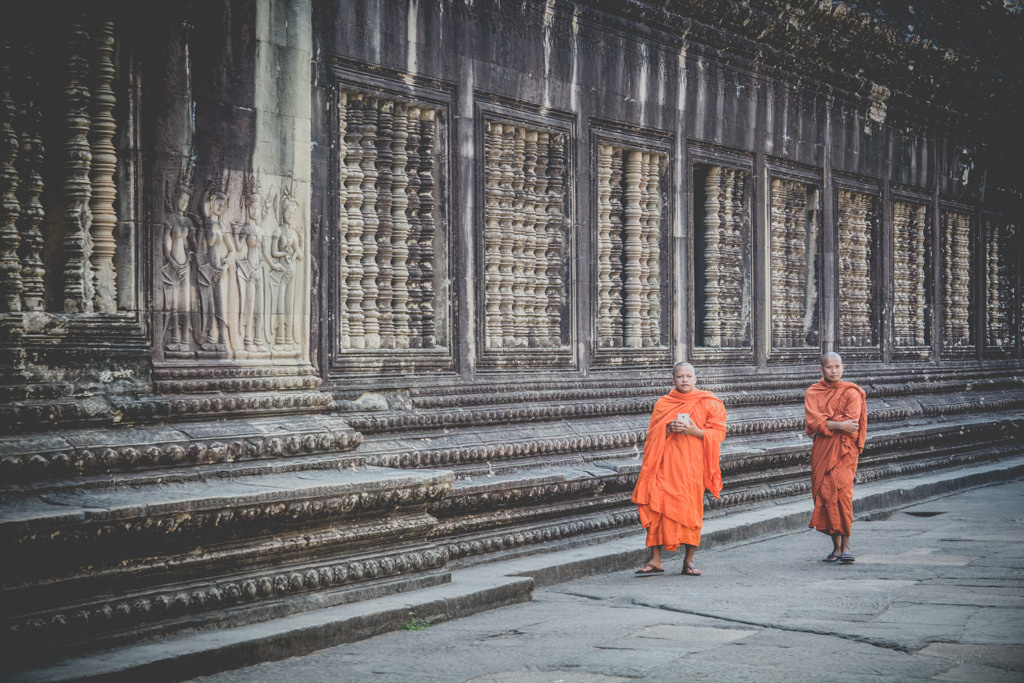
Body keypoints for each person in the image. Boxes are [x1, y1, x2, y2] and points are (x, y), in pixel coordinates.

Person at [631, 362, 726, 577]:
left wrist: (695, 431)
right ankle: (655, 560)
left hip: (692, 469)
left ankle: (688, 561)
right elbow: (652, 436)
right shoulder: (664, 403)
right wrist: (667, 429)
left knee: (691, 513)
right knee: (655, 507)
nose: (685, 380)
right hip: (664, 467)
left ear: (696, 378)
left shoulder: (710, 403)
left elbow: (718, 434)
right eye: (680, 376)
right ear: (672, 379)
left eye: (689, 376)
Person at [805, 351, 867, 564]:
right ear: (820, 369)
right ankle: (836, 547)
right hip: (823, 450)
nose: (834, 371)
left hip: (844, 451)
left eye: (837, 367)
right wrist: (838, 424)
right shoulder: (814, 391)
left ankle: (846, 546)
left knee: (843, 495)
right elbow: (814, 421)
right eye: (829, 367)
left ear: (843, 368)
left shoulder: (852, 392)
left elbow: (853, 422)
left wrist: (828, 422)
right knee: (826, 494)